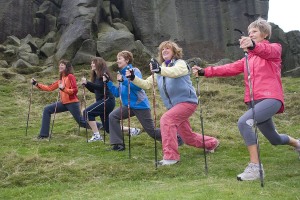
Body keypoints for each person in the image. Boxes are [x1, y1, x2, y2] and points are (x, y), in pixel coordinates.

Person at [192, 18, 300, 181]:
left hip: (271, 98)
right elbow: (228, 68)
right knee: (274, 139)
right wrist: (204, 71)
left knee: (244, 122)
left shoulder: (274, 49)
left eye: (255, 31)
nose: (251, 34)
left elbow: (265, 51)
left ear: (265, 34)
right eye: (249, 32)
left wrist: (253, 45)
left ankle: (255, 167)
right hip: (254, 102)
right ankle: (297, 144)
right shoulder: (247, 59)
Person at [126, 41, 219, 166]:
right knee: (187, 137)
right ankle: (212, 143)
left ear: (174, 51)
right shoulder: (160, 69)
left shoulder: (180, 64)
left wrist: (159, 69)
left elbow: (174, 72)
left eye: (167, 48)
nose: (164, 51)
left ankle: (171, 157)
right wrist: (133, 78)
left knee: (166, 120)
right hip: (174, 106)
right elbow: (147, 84)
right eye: (162, 49)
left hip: (187, 102)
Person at [103, 50, 162, 151]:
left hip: (140, 105)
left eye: (119, 59)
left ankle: (174, 136)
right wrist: (108, 82)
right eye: (117, 59)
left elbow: (138, 87)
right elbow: (117, 93)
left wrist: (124, 81)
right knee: (113, 116)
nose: (117, 61)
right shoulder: (121, 74)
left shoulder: (134, 71)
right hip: (128, 106)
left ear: (127, 60)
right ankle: (118, 144)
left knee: (151, 132)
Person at [31, 59, 82, 139]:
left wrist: (63, 89)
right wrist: (36, 84)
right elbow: (49, 88)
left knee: (81, 122)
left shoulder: (70, 76)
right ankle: (44, 135)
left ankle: (100, 126)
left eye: (62, 64)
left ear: (67, 67)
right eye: (60, 64)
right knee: (47, 109)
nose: (60, 66)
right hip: (63, 103)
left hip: (72, 103)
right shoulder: (61, 79)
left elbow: (75, 90)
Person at [81, 57, 116, 142]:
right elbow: (94, 90)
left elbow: (101, 87)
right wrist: (86, 85)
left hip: (107, 100)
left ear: (99, 64)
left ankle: (97, 136)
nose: (92, 64)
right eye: (91, 63)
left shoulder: (104, 75)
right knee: (108, 128)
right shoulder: (96, 76)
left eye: (94, 63)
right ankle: (132, 130)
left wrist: (88, 82)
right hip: (102, 101)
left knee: (87, 112)